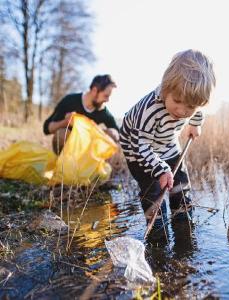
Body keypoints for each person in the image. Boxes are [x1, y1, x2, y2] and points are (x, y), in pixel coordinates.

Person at [120, 49, 215, 229]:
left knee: (180, 185)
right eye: (177, 101)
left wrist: (195, 124)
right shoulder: (148, 110)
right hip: (139, 151)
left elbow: (199, 110)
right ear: (166, 88)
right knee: (154, 192)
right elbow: (142, 147)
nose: (181, 111)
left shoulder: (193, 104)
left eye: (190, 107)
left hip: (167, 143)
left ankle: (183, 225)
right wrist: (161, 170)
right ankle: (157, 233)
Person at [43, 75, 119, 154]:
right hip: (70, 149)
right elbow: (46, 128)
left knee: (112, 134)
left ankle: (97, 165)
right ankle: (63, 164)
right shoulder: (70, 100)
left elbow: (118, 131)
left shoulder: (103, 112)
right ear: (94, 90)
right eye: (106, 96)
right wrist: (65, 122)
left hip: (89, 150)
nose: (107, 100)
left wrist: (112, 133)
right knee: (62, 135)